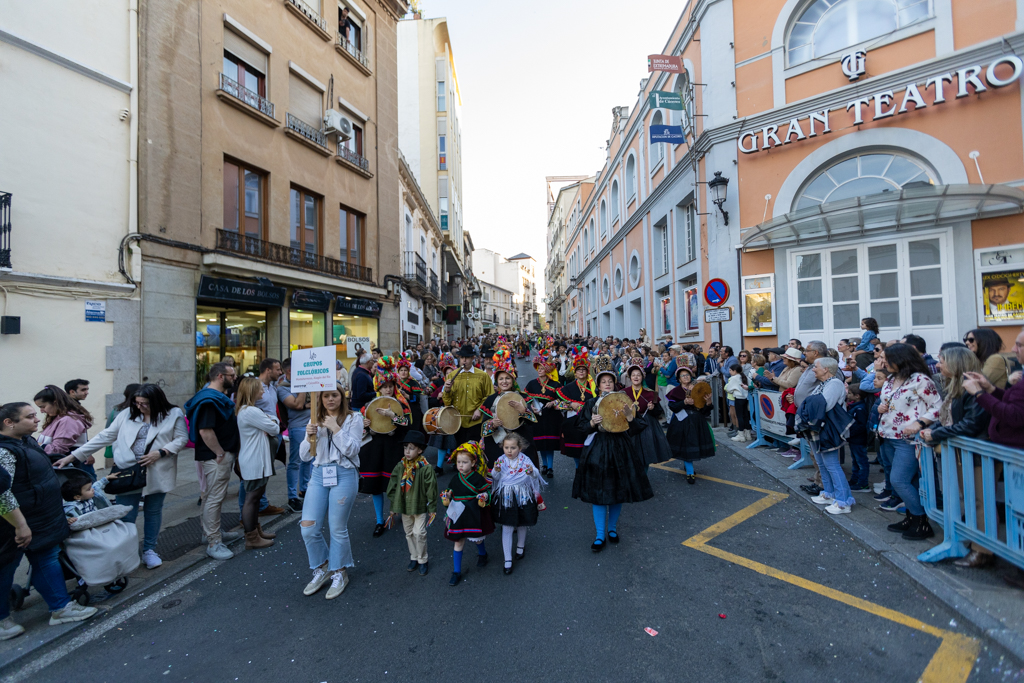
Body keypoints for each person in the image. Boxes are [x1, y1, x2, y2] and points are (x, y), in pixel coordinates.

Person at [59, 384, 187, 569]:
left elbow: (181, 438)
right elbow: (105, 436)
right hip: (127, 471)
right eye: (137, 403)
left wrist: (162, 452)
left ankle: (149, 550)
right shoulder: (127, 413)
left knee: (153, 510)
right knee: (126, 512)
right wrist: (74, 456)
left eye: (145, 404)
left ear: (157, 402)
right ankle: (127, 551)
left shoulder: (173, 414)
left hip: (157, 469)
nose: (140, 407)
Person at [0, 403, 98, 640]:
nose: (37, 419)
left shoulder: (26, 441)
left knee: (46, 559)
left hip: (40, 518)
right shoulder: (4, 451)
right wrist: (20, 524)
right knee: (5, 570)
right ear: (9, 423)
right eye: (30, 417)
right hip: (14, 525)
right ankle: (2, 620)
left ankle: (60, 608)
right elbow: (2, 493)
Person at [919, 346, 992, 567]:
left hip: (977, 454)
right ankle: (972, 544)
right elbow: (951, 418)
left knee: (980, 502)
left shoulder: (972, 388)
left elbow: (971, 424)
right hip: (963, 454)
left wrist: (936, 433)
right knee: (968, 500)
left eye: (942, 361)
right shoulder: (955, 387)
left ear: (957, 363)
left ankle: (982, 551)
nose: (938, 365)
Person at [572, 364, 652, 552]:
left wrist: (630, 417)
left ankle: (612, 529)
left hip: (620, 448)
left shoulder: (624, 401)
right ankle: (600, 534)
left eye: (610, 381)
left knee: (618, 491)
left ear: (614, 384)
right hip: (598, 449)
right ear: (598, 385)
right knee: (598, 494)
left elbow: (639, 426)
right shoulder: (591, 403)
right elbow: (580, 427)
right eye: (603, 382)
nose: (607, 384)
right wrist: (592, 422)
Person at [299, 385, 363, 600]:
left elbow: (353, 449)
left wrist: (336, 428)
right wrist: (309, 437)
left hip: (344, 474)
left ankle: (339, 572)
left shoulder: (354, 418)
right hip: (319, 474)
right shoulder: (314, 419)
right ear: (320, 398)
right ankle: (323, 566)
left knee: (337, 528)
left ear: (342, 396)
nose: (330, 399)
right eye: (325, 395)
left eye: (334, 395)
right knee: (308, 528)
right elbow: (304, 457)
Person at [877, 343, 941, 540]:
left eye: (887, 358)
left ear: (901, 359)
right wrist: (881, 407)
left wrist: (920, 423)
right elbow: (889, 402)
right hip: (887, 436)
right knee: (908, 481)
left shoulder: (920, 380)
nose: (883, 362)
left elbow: (938, 406)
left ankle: (922, 522)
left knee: (899, 480)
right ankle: (911, 518)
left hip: (908, 439)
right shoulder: (889, 380)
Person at [183, 363, 242, 562]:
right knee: (214, 498)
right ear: (219, 376)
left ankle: (210, 533)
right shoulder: (209, 400)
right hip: (216, 457)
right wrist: (219, 453)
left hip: (217, 455)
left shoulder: (212, 397)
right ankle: (214, 542)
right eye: (231, 375)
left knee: (210, 496)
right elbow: (205, 431)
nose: (235, 378)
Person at [360, 357, 411, 537]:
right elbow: (359, 430)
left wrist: (393, 416)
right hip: (374, 448)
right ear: (378, 387)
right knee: (375, 485)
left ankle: (396, 511)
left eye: (390, 385)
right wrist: (364, 424)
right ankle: (379, 521)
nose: (388, 389)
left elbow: (407, 423)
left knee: (395, 483)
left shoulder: (401, 403)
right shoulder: (368, 405)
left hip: (393, 446)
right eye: (384, 386)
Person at [799, 358, 855, 515]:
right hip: (820, 429)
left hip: (828, 429)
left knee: (832, 464)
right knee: (822, 463)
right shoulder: (824, 384)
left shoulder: (835, 383)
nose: (813, 370)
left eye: (816, 367)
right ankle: (829, 493)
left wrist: (808, 405)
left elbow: (825, 405)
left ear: (826, 369)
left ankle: (844, 501)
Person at [234, 377, 280, 550]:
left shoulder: (248, 410)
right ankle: (251, 537)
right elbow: (275, 428)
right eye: (260, 389)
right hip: (254, 460)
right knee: (252, 498)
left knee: (255, 497)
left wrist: (269, 421)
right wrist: (272, 420)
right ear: (252, 391)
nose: (263, 391)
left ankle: (256, 531)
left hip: (255, 459)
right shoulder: (251, 412)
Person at [440, 442, 494, 587]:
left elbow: (487, 492)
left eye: (465, 462)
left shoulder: (477, 478)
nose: (461, 465)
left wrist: (484, 497)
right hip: (458, 514)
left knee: (476, 539)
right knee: (458, 541)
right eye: (458, 462)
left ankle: (482, 554)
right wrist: (447, 496)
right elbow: (450, 491)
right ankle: (456, 571)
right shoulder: (455, 478)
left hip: (473, 513)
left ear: (473, 462)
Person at [491, 432, 545, 574]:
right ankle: (507, 559)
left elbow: (535, 474)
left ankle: (520, 546)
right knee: (507, 525)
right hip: (507, 496)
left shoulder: (525, 460)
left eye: (513, 448)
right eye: (506, 447)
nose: (509, 451)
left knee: (522, 522)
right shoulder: (501, 460)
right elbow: (495, 477)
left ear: (520, 448)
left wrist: (531, 471)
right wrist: (495, 471)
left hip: (522, 495)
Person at [385, 430, 437, 576]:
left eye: (412, 448)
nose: (407, 451)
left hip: (419, 506)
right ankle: (414, 557)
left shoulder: (425, 468)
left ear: (420, 450)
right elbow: (393, 486)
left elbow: (431, 489)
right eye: (405, 447)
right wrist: (393, 507)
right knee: (408, 533)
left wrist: (432, 508)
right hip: (404, 506)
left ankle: (423, 559)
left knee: (419, 532)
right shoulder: (400, 466)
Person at [964, 327, 1024, 449]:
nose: (967, 343)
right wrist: (990, 388)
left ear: (983, 340)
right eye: (966, 339)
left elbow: (1015, 415)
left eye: (971, 339)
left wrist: (979, 393)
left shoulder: (994, 359)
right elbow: (1014, 400)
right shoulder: (984, 360)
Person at [480, 351, 538, 469]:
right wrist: (492, 424)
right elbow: (483, 429)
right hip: (498, 445)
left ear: (513, 380)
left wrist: (523, 411)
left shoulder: (523, 397)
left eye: (507, 378)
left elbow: (533, 422)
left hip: (521, 444)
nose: (504, 381)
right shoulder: (490, 400)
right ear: (497, 381)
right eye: (501, 379)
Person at [666, 368, 716, 484]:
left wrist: (708, 403)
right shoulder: (676, 391)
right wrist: (684, 402)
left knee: (691, 445)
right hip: (681, 422)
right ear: (679, 379)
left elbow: (704, 411)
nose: (685, 377)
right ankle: (690, 472)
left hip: (697, 421)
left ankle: (688, 466)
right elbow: (672, 407)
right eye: (682, 375)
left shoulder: (699, 389)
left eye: (687, 374)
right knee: (687, 445)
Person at [277, 358, 312, 513]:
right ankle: (292, 496)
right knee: (295, 462)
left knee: (309, 459)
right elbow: (297, 404)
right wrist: (303, 383)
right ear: (290, 371)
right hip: (297, 427)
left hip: (311, 424)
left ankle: (304, 489)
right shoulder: (283, 388)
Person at [442, 345, 493, 446]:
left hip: (476, 421)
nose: (464, 360)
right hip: (458, 421)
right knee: (460, 450)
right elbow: (447, 402)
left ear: (473, 358)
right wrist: (447, 391)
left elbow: (489, 396)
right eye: (462, 358)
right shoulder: (452, 375)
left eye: (467, 358)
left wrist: (479, 409)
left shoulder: (482, 376)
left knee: (473, 450)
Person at [33, 385, 93, 470]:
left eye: (43, 406)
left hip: (69, 470)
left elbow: (57, 450)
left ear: (55, 402)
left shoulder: (68, 420)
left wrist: (35, 445)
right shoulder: (58, 418)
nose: (42, 411)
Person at [624, 362, 672, 469]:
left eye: (638, 374)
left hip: (647, 426)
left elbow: (658, 412)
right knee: (630, 455)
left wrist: (652, 409)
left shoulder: (651, 393)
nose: (636, 377)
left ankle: (643, 479)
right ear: (630, 377)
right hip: (629, 425)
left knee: (646, 455)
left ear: (643, 377)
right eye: (633, 375)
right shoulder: (623, 393)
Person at [523, 351, 563, 478]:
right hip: (537, 416)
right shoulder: (532, 384)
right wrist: (532, 407)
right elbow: (525, 398)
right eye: (538, 368)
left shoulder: (555, 384)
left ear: (547, 370)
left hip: (551, 417)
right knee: (540, 442)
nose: (540, 370)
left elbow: (562, 398)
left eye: (542, 368)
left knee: (549, 442)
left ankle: (550, 467)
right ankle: (544, 464)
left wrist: (554, 402)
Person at [556, 347, 598, 467]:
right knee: (577, 454)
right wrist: (571, 404)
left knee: (590, 451)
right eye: (578, 369)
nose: (581, 372)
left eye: (583, 370)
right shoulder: (568, 387)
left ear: (587, 371)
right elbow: (557, 404)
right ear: (575, 371)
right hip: (573, 423)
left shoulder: (593, 387)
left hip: (589, 422)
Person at [845, 386, 870, 493]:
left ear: (857, 396)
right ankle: (854, 480)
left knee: (861, 461)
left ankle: (863, 483)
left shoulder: (859, 409)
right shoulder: (854, 407)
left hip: (858, 439)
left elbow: (861, 426)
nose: (848, 395)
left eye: (850, 393)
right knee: (855, 461)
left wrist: (850, 433)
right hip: (854, 439)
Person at [725, 364, 750, 442]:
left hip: (738, 398)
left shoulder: (734, 378)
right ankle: (748, 433)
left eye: (730, 370)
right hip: (746, 398)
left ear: (734, 371)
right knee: (745, 415)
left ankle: (741, 435)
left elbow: (728, 389)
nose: (729, 372)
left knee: (739, 416)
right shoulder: (744, 376)